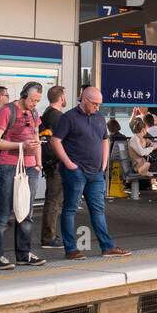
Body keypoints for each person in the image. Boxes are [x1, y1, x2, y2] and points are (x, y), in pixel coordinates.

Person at [50, 86, 131, 259]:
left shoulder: (99, 117)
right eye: (94, 104)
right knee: (70, 208)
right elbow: (55, 140)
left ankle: (107, 247)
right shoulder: (68, 117)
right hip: (76, 170)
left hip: (96, 172)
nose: (97, 107)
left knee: (98, 210)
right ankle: (71, 249)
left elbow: (104, 140)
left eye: (99, 104)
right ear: (84, 100)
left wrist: (103, 163)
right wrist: (69, 163)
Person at [0, 82, 45, 270]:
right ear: (23, 95)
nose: (34, 104)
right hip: (9, 165)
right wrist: (20, 146)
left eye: (37, 101)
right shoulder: (7, 111)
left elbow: (35, 138)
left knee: (26, 212)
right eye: (33, 100)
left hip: (30, 167)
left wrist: (38, 163)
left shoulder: (34, 113)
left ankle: (23, 253)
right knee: (3, 212)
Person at [38, 85, 68, 248]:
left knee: (53, 199)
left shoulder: (46, 114)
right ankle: (48, 237)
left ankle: (49, 235)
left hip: (50, 162)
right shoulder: (58, 116)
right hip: (57, 164)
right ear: (62, 98)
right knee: (54, 200)